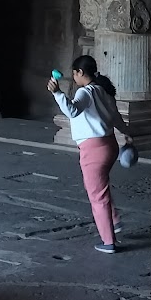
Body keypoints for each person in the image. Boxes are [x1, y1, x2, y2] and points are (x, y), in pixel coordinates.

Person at [48, 55, 126, 253]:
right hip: (110, 145)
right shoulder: (103, 91)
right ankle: (114, 221)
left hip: (93, 151)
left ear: (80, 73)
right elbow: (116, 117)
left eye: (75, 74)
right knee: (102, 188)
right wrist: (127, 135)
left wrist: (57, 93)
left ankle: (109, 242)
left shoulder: (86, 92)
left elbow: (72, 111)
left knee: (97, 196)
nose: (74, 77)